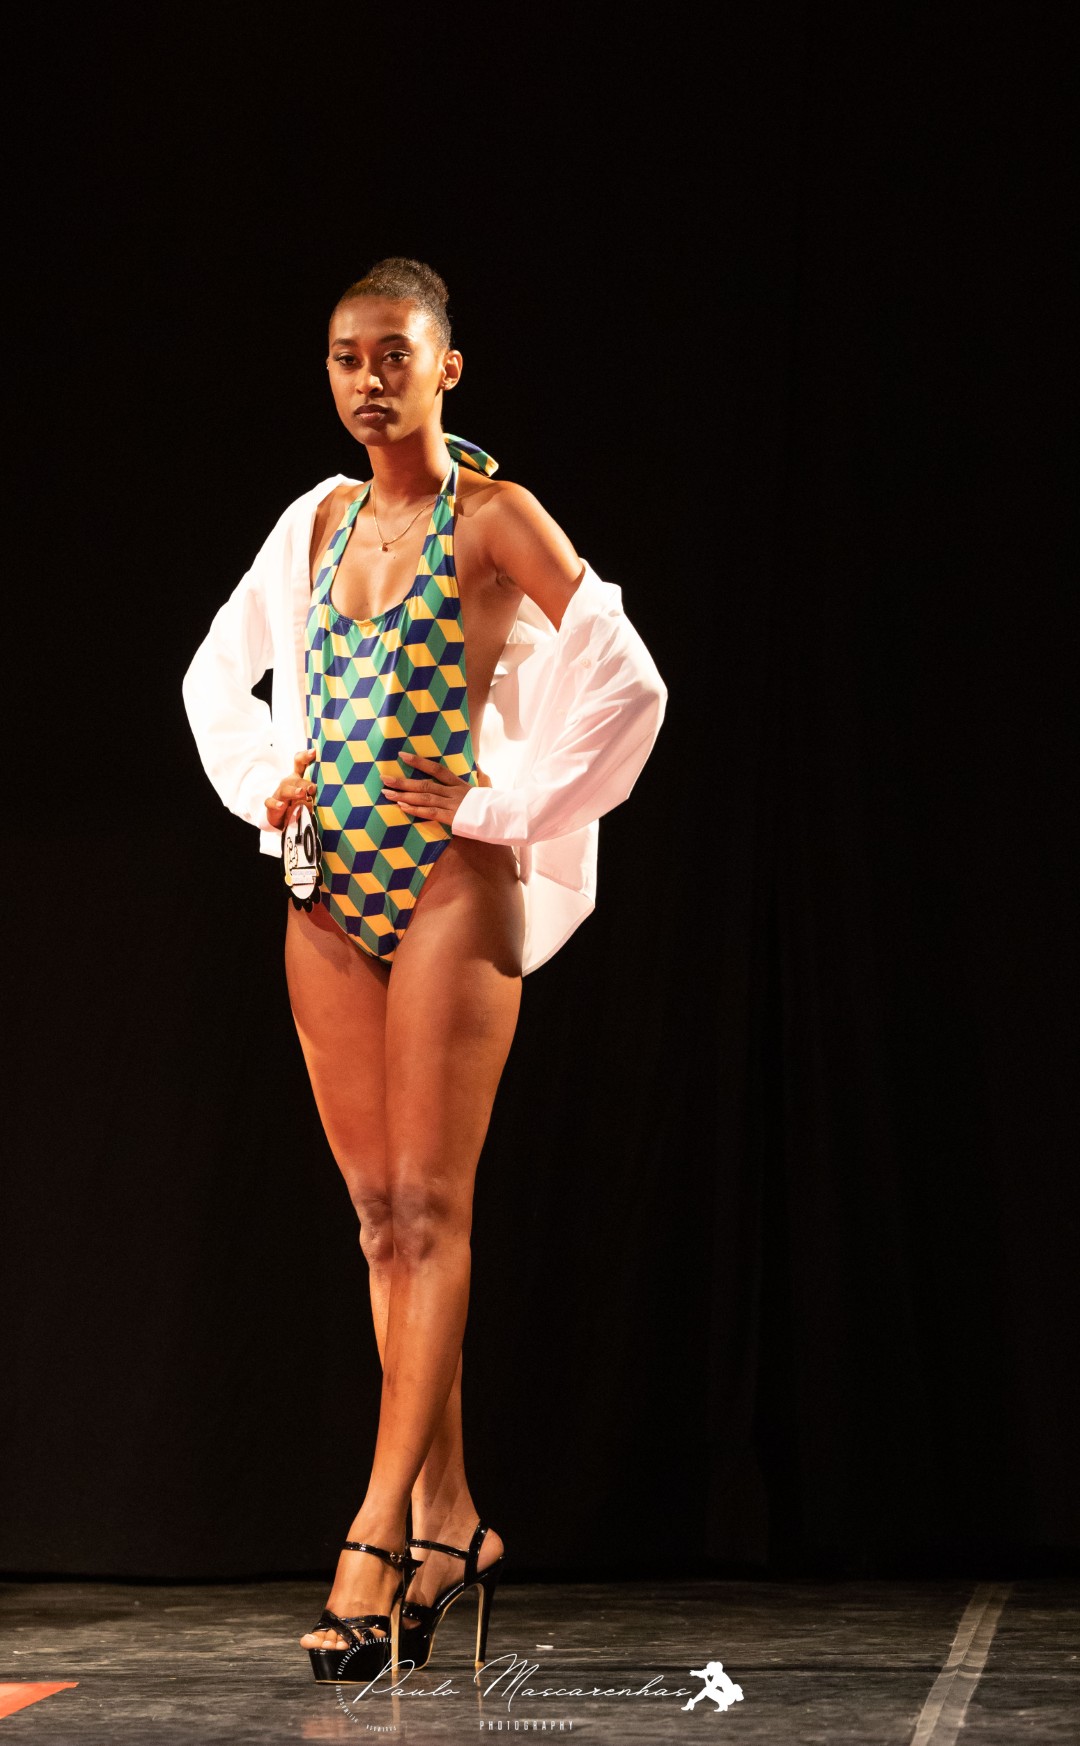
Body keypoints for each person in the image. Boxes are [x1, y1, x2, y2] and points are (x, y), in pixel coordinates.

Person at [182, 258, 667, 1684]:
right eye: (347, 356)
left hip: (452, 880)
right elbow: (214, 676)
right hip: (328, 887)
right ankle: (453, 1518)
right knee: (379, 1219)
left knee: (432, 1207)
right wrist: (266, 778)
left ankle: (377, 1528)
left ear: (447, 367)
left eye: (394, 354)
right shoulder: (316, 522)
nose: (367, 380)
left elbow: (628, 675)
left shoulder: (496, 517)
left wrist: (507, 806)